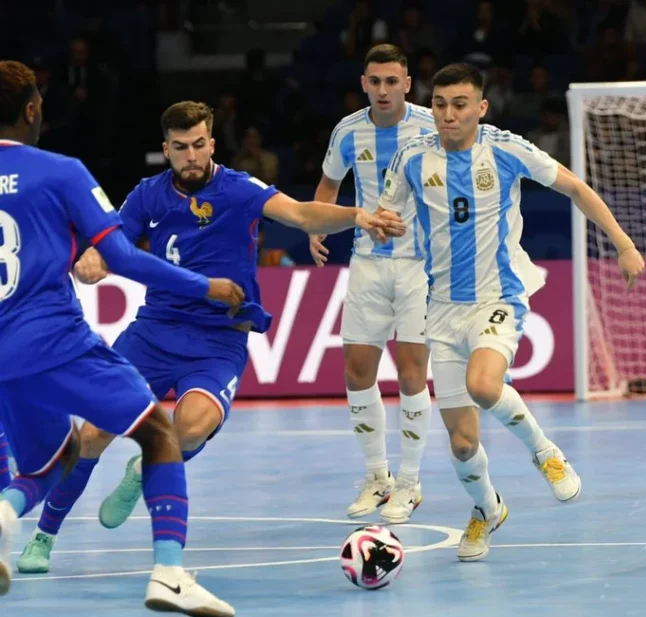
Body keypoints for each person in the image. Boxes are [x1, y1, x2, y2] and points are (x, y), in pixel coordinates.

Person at [16, 100, 404, 574]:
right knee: (93, 433)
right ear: (167, 150)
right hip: (153, 334)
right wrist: (92, 263)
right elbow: (109, 247)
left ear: (212, 144)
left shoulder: (239, 190)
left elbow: (302, 214)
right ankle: (43, 537)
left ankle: (144, 470)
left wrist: (357, 216)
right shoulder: (146, 195)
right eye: (180, 148)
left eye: (199, 144)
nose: (191, 155)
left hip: (218, 339)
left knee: (192, 426)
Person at [0, 59, 243, 615]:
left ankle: (5, 518)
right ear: (33, 109)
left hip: (2, 357)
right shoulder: (59, 170)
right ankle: (169, 575)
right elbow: (125, 258)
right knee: (160, 434)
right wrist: (204, 286)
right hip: (56, 344)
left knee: (47, 463)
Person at [377, 62, 645, 561]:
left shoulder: (505, 148)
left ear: (481, 107)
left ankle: (546, 453)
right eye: (439, 104)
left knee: (484, 385)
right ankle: (487, 510)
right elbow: (387, 214)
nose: (448, 115)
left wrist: (624, 245)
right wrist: (381, 226)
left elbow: (576, 188)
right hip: (440, 308)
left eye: (460, 105)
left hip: (498, 296)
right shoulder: (411, 157)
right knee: (460, 444)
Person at [308, 44, 436, 524]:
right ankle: (377, 476)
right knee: (358, 370)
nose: (383, 90)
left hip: (419, 267)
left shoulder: (430, 127)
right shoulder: (348, 130)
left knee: (411, 374)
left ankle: (410, 482)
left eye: (392, 81)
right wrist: (317, 227)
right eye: (374, 81)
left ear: (406, 83)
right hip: (367, 262)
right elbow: (327, 186)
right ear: (364, 83)